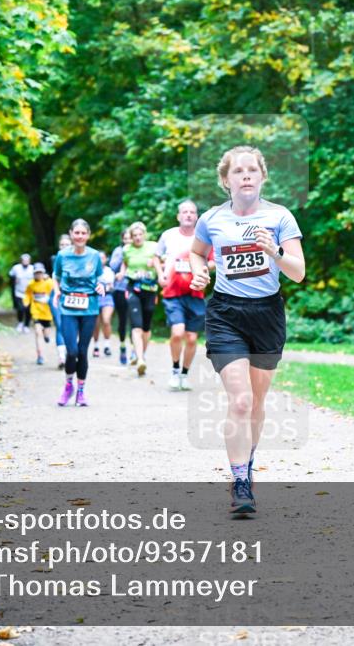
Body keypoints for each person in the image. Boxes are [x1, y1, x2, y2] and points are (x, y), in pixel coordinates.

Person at [189, 145, 305, 515]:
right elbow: (196, 251)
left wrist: (275, 252)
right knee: (240, 401)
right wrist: (199, 271)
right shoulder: (211, 219)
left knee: (255, 403)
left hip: (267, 314)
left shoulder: (280, 217)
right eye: (238, 171)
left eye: (252, 170)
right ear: (226, 180)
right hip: (226, 314)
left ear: (262, 176)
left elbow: (298, 273)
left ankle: (247, 464)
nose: (246, 176)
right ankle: (241, 484)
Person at [156, 200, 214, 391]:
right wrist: (160, 275)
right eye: (185, 212)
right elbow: (156, 256)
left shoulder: (203, 237)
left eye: (192, 212)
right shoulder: (168, 235)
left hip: (195, 293)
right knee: (177, 332)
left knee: (191, 338)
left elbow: (213, 261)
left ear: (196, 216)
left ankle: (184, 374)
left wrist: (202, 268)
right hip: (172, 293)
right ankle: (174, 371)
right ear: (178, 216)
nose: (188, 215)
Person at [52, 219, 105, 406]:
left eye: (83, 233)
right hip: (68, 307)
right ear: (71, 234)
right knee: (72, 351)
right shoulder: (62, 255)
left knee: (82, 351)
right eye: (77, 233)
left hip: (89, 307)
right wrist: (56, 291)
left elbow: (100, 278)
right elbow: (56, 276)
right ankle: (68, 386)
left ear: (88, 235)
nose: (80, 236)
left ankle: (81, 391)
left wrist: (101, 286)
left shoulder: (94, 256)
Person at [118, 222, 160, 377]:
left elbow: (163, 262)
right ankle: (140, 359)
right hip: (133, 288)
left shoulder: (153, 247)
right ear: (131, 237)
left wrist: (155, 263)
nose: (137, 238)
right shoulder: (126, 249)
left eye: (140, 234)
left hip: (150, 289)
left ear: (144, 234)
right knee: (136, 326)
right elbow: (125, 263)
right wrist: (121, 273)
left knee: (146, 328)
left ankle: (140, 354)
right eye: (134, 235)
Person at [23, 263, 55, 365]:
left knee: (46, 333)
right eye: (36, 273)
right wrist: (26, 302)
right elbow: (27, 294)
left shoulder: (48, 282)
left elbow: (55, 290)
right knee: (37, 332)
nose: (38, 275)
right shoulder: (31, 284)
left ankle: (46, 336)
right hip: (36, 311)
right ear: (33, 274)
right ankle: (40, 355)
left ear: (43, 273)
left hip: (47, 312)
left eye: (40, 273)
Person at [48, 234, 72, 369]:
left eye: (67, 244)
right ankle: (62, 357)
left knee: (71, 326)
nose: (64, 247)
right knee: (59, 324)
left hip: (72, 296)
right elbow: (56, 276)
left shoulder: (78, 259)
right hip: (57, 294)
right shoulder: (56, 259)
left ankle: (71, 351)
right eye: (62, 245)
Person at [109, 230, 132, 365]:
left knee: (135, 321)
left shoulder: (138, 250)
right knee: (123, 319)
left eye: (130, 238)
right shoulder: (118, 251)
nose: (128, 241)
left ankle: (135, 349)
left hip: (136, 289)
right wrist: (124, 254)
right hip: (120, 289)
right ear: (122, 239)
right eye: (126, 238)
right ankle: (123, 346)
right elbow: (112, 266)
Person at [92, 251, 116, 358]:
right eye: (98, 258)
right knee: (96, 323)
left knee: (106, 320)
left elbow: (111, 286)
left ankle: (107, 345)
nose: (100, 260)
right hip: (95, 298)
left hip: (107, 297)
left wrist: (103, 288)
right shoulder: (91, 270)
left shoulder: (109, 271)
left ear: (106, 259)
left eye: (102, 258)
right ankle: (96, 346)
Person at [8, 254, 35, 333]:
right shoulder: (16, 268)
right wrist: (14, 281)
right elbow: (10, 276)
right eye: (24, 260)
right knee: (20, 308)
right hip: (19, 292)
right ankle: (20, 323)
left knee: (28, 310)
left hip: (29, 293)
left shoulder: (32, 268)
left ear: (29, 261)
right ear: (21, 261)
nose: (25, 262)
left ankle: (26, 325)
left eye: (27, 260)